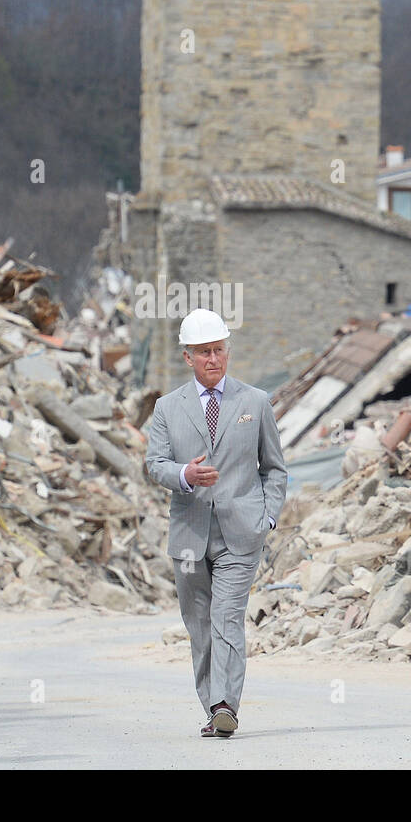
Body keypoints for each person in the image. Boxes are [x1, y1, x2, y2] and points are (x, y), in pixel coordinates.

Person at [144, 308, 287, 738]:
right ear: (188, 356)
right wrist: (184, 475)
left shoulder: (255, 402)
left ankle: (226, 705)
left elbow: (275, 469)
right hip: (189, 535)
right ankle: (212, 705)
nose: (213, 359)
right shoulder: (168, 408)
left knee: (227, 618)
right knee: (200, 624)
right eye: (204, 352)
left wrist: (268, 517)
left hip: (242, 533)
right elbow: (154, 464)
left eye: (219, 350)